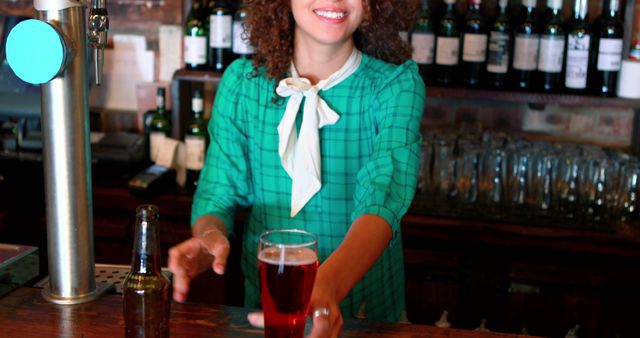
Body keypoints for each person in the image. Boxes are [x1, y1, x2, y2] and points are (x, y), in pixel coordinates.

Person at [168, 0, 424, 336]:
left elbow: (382, 199)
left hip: (366, 318)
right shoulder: (242, 84)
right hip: (266, 312)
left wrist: (325, 287)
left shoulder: (395, 86)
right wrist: (208, 237)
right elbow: (217, 195)